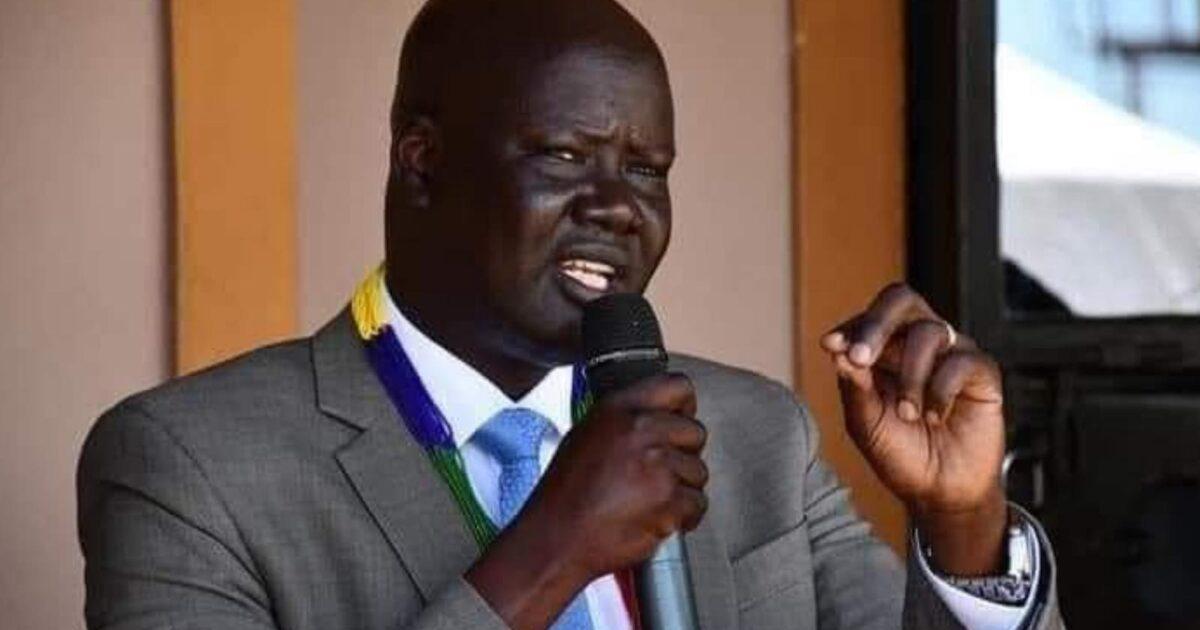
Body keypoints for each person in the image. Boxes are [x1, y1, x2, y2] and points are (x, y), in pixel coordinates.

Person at [77, 1, 1062, 628]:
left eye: (647, 170)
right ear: (423, 162)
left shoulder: (759, 435)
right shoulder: (189, 464)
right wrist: (549, 554)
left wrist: (962, 520)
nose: (618, 207)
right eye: (563, 156)